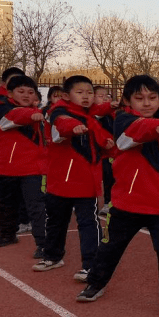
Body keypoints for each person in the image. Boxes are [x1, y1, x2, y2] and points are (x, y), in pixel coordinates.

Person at [76, 75, 159, 314]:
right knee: (111, 246)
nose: (147, 103)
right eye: (139, 98)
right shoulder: (123, 120)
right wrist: (155, 127)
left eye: (152, 98)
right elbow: (131, 136)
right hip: (129, 202)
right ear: (127, 101)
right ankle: (96, 282)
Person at [32, 76, 111, 279]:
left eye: (89, 92)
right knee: (57, 220)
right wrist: (72, 128)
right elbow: (62, 124)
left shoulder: (90, 114)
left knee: (88, 222)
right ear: (66, 96)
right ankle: (53, 256)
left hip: (85, 181)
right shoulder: (58, 112)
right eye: (80, 92)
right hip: (60, 179)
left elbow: (99, 113)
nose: (86, 96)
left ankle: (91, 264)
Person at [0, 75, 47, 252]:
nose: (26, 95)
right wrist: (32, 113)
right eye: (21, 91)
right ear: (9, 93)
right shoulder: (1, 107)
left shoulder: (38, 112)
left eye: (30, 92)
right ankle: (7, 234)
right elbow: (10, 118)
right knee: (5, 203)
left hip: (31, 168)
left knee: (35, 206)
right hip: (5, 167)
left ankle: (43, 244)